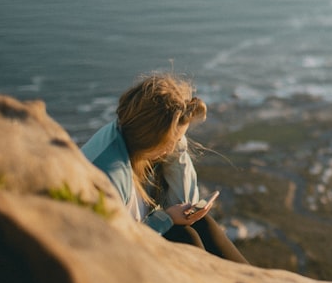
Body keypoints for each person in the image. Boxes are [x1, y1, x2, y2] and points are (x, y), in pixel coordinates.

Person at [81, 73, 248, 264]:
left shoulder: (139, 142)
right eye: (172, 141)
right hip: (111, 261)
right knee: (184, 236)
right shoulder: (109, 175)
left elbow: (185, 201)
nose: (173, 147)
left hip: (136, 242)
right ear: (152, 136)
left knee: (201, 223)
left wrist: (177, 147)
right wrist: (165, 219)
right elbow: (111, 249)